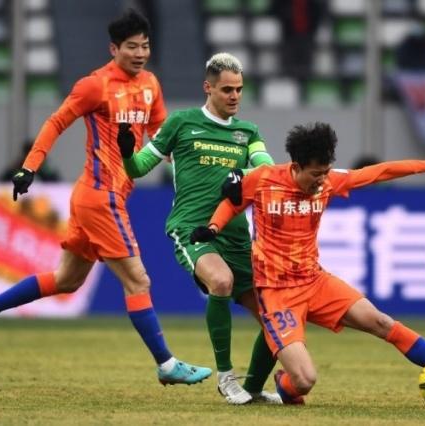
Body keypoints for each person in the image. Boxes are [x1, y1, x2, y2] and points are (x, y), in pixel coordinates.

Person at [0, 9, 212, 386]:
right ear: (114, 49)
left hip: (99, 196)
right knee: (138, 281)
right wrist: (29, 167)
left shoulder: (150, 84)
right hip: (100, 196)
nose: (140, 53)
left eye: (145, 46)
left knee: (66, 279)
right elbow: (57, 121)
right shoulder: (95, 85)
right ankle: (166, 364)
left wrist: (192, 170)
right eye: (132, 47)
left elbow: (162, 136)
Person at [190, 122, 425, 404]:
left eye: (325, 172)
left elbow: (379, 172)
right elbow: (232, 202)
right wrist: (213, 228)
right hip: (277, 293)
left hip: (315, 282)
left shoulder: (329, 181)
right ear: (296, 166)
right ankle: (286, 386)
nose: (322, 180)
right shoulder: (264, 179)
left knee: (381, 322)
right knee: (305, 380)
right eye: (315, 174)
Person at [118, 53, 280, 404]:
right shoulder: (181, 123)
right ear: (208, 87)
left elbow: (266, 169)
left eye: (239, 89)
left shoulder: (247, 132)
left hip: (236, 236)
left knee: (276, 316)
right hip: (192, 228)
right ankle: (227, 378)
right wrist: (127, 153)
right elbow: (139, 167)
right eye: (227, 90)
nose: (235, 96)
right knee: (220, 281)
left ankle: (253, 389)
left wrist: (243, 174)